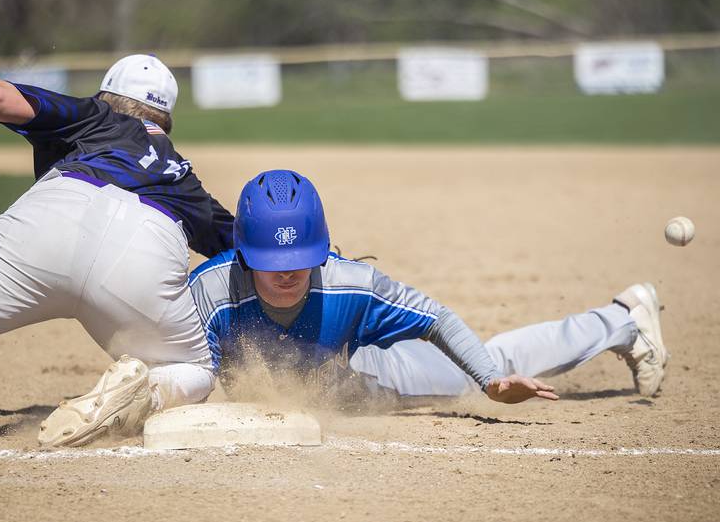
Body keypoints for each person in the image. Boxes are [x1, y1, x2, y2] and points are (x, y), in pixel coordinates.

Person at [0, 55, 233, 447]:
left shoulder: (97, 116)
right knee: (194, 369)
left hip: (50, 223)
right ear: (165, 120)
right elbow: (248, 245)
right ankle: (144, 391)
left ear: (107, 96)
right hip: (144, 257)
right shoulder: (182, 176)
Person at [184, 169, 669, 406]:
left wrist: (489, 381)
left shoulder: (351, 285)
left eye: (301, 260)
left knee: (495, 363)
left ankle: (624, 319)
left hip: (371, 377)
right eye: (272, 263)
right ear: (243, 253)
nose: (287, 274)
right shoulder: (210, 292)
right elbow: (186, 368)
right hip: (337, 384)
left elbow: (436, 318)